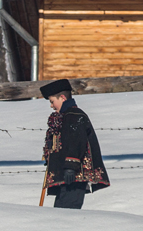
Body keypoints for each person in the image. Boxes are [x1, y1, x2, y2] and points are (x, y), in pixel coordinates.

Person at [39, 79, 110, 209]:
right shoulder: (65, 117)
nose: (51, 106)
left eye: (52, 101)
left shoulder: (74, 115)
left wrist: (71, 166)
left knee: (66, 211)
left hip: (74, 176)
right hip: (67, 176)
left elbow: (76, 142)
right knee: (61, 209)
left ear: (62, 98)